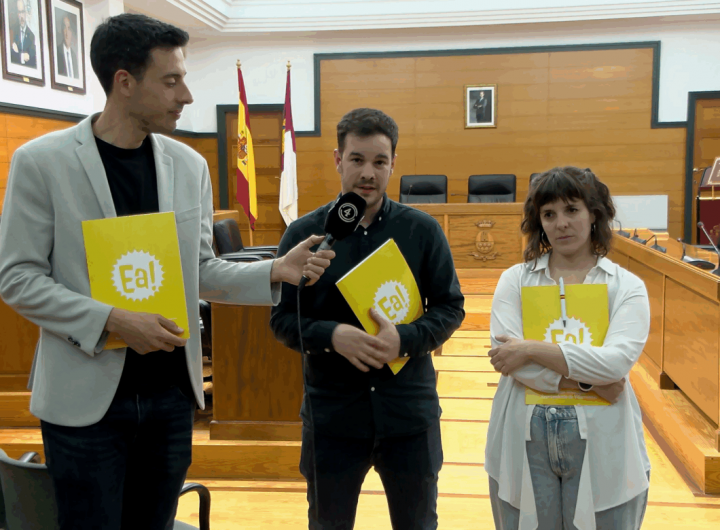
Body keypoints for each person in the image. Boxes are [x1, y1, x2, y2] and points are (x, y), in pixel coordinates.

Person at [0, 13, 334, 530]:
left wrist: (276, 271)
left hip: (170, 400)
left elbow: (197, 270)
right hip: (85, 403)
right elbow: (18, 278)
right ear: (124, 82)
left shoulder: (189, 166)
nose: (187, 96)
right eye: (171, 80)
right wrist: (113, 319)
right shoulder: (41, 162)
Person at [270, 108, 465, 530]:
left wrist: (405, 340)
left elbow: (451, 308)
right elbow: (281, 320)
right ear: (338, 159)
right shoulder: (304, 235)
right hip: (333, 419)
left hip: (409, 417)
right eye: (357, 159)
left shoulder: (422, 231)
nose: (368, 173)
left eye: (380, 161)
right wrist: (332, 336)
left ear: (393, 163)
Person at [485, 167, 651, 530]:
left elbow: (615, 363)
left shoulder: (627, 287)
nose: (561, 223)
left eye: (572, 209)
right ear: (539, 222)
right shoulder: (514, 280)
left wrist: (531, 348)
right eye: (549, 214)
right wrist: (589, 383)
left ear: (594, 214)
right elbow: (507, 358)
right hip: (522, 435)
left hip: (606, 442)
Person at [10, 0, 36, 68]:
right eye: (19, 12)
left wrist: (17, 54)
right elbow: (10, 56)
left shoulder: (31, 36)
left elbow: (32, 61)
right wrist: (22, 56)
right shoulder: (12, 32)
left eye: (23, 12)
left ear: (26, 12)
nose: (21, 16)